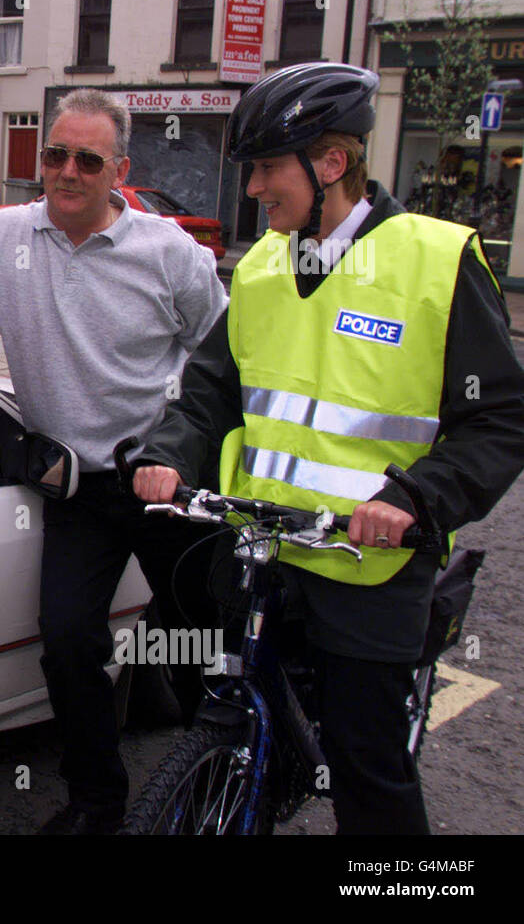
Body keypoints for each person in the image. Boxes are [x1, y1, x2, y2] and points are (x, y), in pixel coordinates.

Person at [131, 62, 524, 834]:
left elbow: (502, 418)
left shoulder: (436, 260)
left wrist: (412, 499)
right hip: (263, 548)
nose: (252, 190)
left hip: (367, 565)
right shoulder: (263, 265)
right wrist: (171, 452)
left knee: (366, 770)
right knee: (227, 708)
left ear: (332, 163)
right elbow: (211, 386)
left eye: (267, 169)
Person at [0, 87, 228, 833]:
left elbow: (223, 360)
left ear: (119, 170)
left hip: (168, 480)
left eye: (87, 158)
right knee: (70, 643)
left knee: (202, 640)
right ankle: (96, 803)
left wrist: (186, 448)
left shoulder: (169, 252)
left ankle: (226, 787)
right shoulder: (1, 236)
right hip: (78, 487)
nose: (67, 171)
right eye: (54, 154)